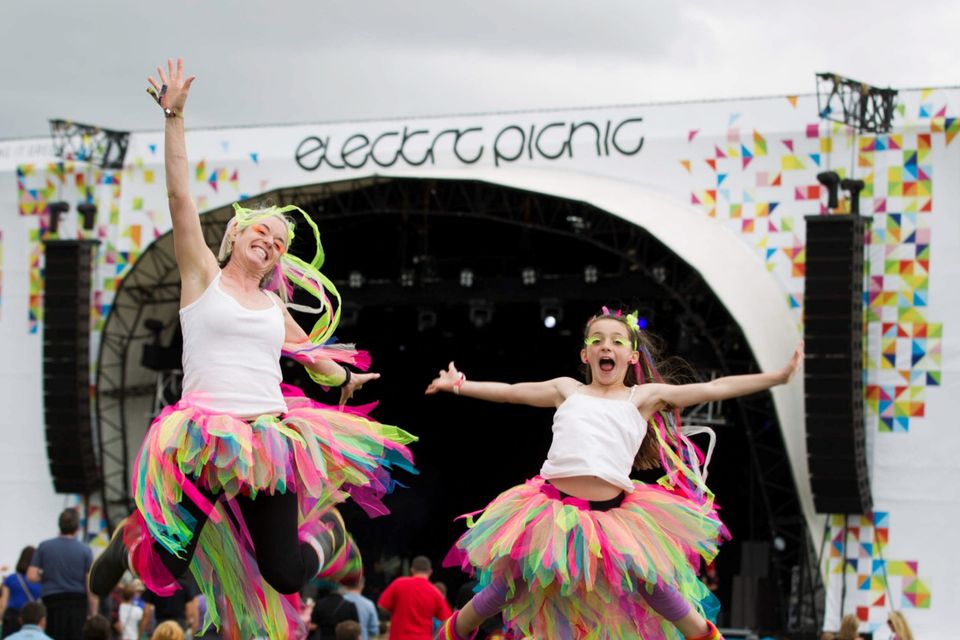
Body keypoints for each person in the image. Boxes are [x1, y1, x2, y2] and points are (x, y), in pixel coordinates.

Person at [87, 57, 416, 640]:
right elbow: (178, 192)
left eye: (281, 240)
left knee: (286, 576)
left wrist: (342, 380)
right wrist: (174, 117)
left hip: (268, 438)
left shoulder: (274, 308)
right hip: (202, 435)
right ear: (235, 236)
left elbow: (314, 359)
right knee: (169, 566)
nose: (270, 240)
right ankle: (129, 536)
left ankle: (329, 534)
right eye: (261, 230)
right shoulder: (200, 277)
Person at [426, 309, 803, 640]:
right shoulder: (566, 389)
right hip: (550, 511)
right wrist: (460, 385)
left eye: (617, 341)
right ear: (585, 354)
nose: (607, 347)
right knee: (513, 581)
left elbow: (715, 387)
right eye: (598, 340)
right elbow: (511, 392)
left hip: (613, 517)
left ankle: (706, 636)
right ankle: (454, 630)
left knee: (650, 583)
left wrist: (778, 378)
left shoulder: (642, 396)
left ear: (631, 355)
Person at [27, 509, 96, 640]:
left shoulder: (44, 546)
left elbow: (31, 575)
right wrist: (93, 613)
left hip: (52, 601)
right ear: (77, 527)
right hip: (77, 603)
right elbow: (90, 585)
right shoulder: (85, 550)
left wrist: (46, 574)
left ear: (60, 525)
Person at [377, 557, 451, 640]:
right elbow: (447, 621)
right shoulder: (435, 593)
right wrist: (435, 636)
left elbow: (381, 605)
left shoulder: (399, 583)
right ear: (430, 572)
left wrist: (397, 613)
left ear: (412, 570)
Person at [1, 547, 42, 637]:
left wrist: (2, 617)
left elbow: (4, 604)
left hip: (11, 617)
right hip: (32, 619)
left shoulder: (10, 579)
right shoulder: (39, 582)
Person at [341, 576, 380, 640]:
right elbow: (374, 631)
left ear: (346, 585)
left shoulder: (339, 601)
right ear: (362, 586)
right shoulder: (369, 604)